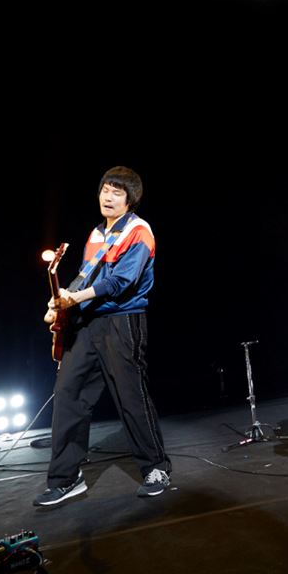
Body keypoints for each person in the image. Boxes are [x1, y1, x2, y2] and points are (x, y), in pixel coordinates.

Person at [34, 166, 171, 507]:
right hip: (88, 324)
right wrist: (61, 302)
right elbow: (86, 277)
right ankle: (66, 478)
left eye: (117, 193)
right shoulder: (96, 233)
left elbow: (122, 281)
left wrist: (75, 298)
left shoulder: (139, 230)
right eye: (105, 190)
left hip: (122, 321)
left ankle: (156, 468)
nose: (108, 197)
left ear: (130, 200)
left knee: (130, 396)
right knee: (68, 393)